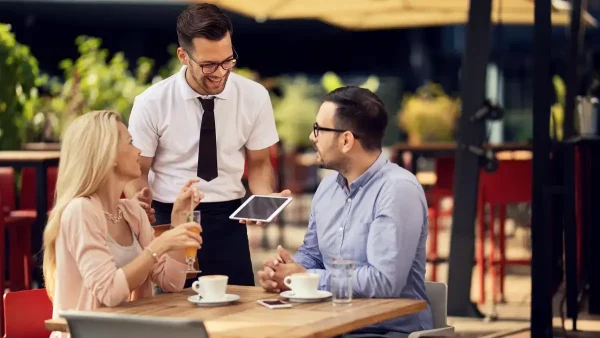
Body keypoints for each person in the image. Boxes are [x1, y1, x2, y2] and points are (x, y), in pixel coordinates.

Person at [125, 3, 287, 287]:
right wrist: (143, 217)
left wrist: (263, 201)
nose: (220, 72)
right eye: (209, 64)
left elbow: (260, 164)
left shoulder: (254, 97)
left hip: (229, 221)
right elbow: (137, 171)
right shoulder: (151, 103)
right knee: (173, 315)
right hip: (169, 218)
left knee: (237, 313)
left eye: (228, 61)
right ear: (183, 56)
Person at [257, 87, 433, 337]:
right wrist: (285, 271)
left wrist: (305, 277)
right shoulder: (328, 187)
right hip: (331, 325)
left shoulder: (397, 190)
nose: (311, 136)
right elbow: (313, 253)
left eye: (318, 129)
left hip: (387, 330)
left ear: (347, 140)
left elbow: (384, 281)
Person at [42, 111, 204, 337]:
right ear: (108, 155)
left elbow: (172, 282)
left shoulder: (132, 212)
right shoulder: (80, 211)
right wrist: (158, 247)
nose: (139, 150)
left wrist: (178, 222)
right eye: (130, 142)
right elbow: (110, 291)